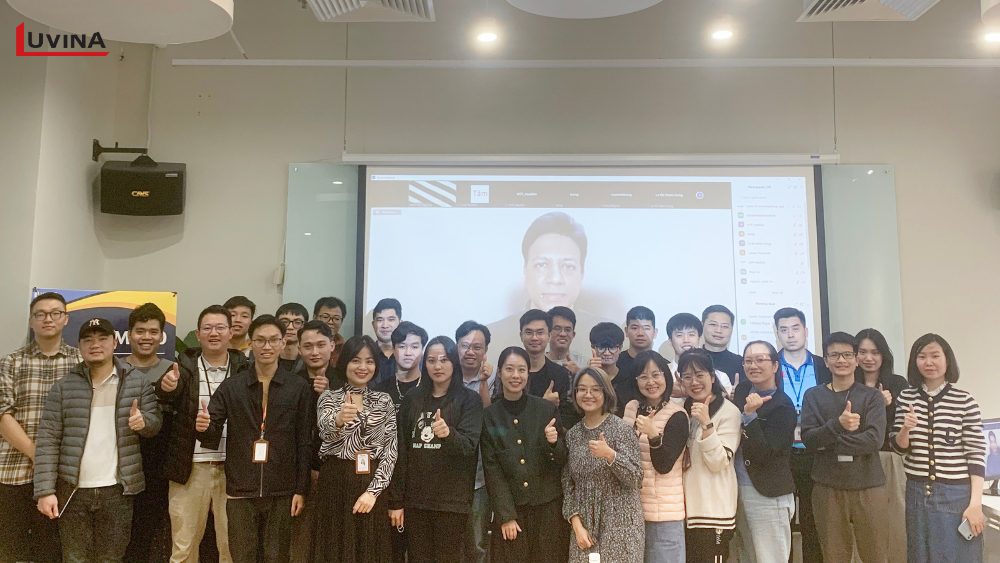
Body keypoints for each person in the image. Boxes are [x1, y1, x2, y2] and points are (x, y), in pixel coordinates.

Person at [34, 317, 162, 562]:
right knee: (74, 558)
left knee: (111, 558)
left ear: (115, 342)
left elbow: (155, 424)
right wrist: (45, 491)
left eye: (102, 338)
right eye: (88, 340)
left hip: (118, 491)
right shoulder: (63, 387)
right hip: (72, 491)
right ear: (80, 346)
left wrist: (144, 422)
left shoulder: (137, 382)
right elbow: (48, 440)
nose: (95, 344)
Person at [197, 315, 315, 563]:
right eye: (260, 340)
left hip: (282, 488)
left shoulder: (298, 387)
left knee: (277, 556)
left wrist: (300, 489)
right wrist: (203, 426)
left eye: (273, 340)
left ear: (283, 343)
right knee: (242, 555)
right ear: (251, 343)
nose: (266, 346)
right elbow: (211, 431)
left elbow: (304, 441)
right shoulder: (233, 386)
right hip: (241, 487)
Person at [158, 304, 249, 563]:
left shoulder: (245, 370)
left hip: (234, 470)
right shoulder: (183, 367)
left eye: (220, 327)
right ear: (198, 335)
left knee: (232, 548)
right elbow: (166, 396)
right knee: (183, 547)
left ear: (231, 333)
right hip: (189, 469)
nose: (214, 333)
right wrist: (166, 387)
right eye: (207, 328)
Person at [891, 334, 986, 563]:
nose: (929, 362)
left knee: (959, 556)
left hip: (956, 495)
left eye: (935, 356)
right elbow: (899, 449)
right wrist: (905, 429)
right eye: (922, 356)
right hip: (917, 493)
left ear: (947, 360)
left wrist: (975, 503)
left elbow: (976, 454)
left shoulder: (964, 400)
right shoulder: (906, 397)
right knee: (920, 555)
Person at [0, 292, 81, 563]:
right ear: (31, 321)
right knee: (10, 549)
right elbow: (2, 415)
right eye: (40, 314)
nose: (48, 319)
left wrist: (47, 462)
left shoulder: (80, 363)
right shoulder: (11, 362)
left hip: (62, 475)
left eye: (55, 313)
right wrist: (37, 454)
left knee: (52, 550)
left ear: (65, 319)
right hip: (13, 471)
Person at [388, 336, 484, 563]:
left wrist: (448, 434)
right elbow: (401, 451)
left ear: (454, 362)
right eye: (431, 360)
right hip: (415, 500)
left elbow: (469, 447)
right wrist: (396, 501)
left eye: (444, 360)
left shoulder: (469, 400)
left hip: (452, 502)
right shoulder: (412, 399)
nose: (437, 366)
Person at [801, 331, 887, 562]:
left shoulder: (872, 396)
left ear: (856, 360)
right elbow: (809, 440)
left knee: (876, 554)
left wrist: (829, 441)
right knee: (833, 555)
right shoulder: (813, 396)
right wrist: (838, 425)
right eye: (835, 355)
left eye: (847, 354)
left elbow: (874, 440)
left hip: (868, 486)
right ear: (826, 361)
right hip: (827, 487)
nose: (841, 360)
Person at [313, 336, 397, 562]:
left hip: (372, 482)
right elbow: (324, 433)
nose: (363, 367)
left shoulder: (384, 401)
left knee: (369, 550)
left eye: (369, 361)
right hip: (336, 481)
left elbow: (390, 451)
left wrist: (373, 492)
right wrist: (339, 419)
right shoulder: (329, 398)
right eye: (356, 360)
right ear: (345, 363)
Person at [481, 346, 569, 563]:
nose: (515, 375)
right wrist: (506, 516)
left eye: (521, 370)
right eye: (509, 369)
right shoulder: (490, 416)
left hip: (547, 507)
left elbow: (562, 459)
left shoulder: (545, 409)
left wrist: (552, 444)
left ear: (528, 373)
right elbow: (493, 470)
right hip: (513, 509)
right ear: (499, 373)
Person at [486, 212, 610, 358]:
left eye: (568, 266)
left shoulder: (607, 335)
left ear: (582, 273)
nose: (555, 279)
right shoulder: (492, 337)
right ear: (525, 270)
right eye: (542, 265)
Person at [561, 367, 643, 563]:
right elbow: (567, 483)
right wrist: (576, 524)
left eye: (595, 389)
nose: (588, 394)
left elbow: (636, 478)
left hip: (621, 526)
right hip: (584, 528)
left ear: (606, 393)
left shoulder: (621, 429)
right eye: (582, 389)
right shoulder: (573, 434)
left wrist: (610, 455)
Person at [731, 341, 797, 563]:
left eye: (760, 360)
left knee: (771, 558)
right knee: (746, 555)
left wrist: (750, 416)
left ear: (775, 366)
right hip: (738, 489)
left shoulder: (783, 406)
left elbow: (767, 452)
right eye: (748, 361)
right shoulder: (741, 391)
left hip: (767, 492)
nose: (753, 365)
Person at [621, 351, 689, 563]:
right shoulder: (632, 407)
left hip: (664, 517)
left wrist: (652, 434)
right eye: (643, 376)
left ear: (666, 377)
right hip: (632, 512)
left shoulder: (677, 414)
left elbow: (664, 465)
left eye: (656, 374)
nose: (650, 382)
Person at [773, 307, 829, 563]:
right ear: (777, 333)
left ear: (805, 331)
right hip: (781, 453)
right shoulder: (770, 365)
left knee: (813, 521)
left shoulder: (822, 365)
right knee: (781, 523)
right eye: (784, 330)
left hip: (816, 453)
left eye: (795, 328)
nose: (790, 335)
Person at [677, 348, 741, 562]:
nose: (694, 382)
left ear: (712, 377)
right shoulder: (680, 410)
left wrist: (707, 424)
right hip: (681, 512)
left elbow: (718, 462)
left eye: (699, 375)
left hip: (713, 512)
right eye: (687, 376)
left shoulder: (729, 411)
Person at [123, 303, 175, 563]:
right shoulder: (113, 368)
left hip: (158, 466)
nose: (146, 337)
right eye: (140, 331)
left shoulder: (174, 370)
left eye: (153, 332)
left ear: (162, 335)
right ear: (129, 334)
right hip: (120, 461)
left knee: (149, 529)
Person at [372, 321, 427, 563]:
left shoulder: (431, 390)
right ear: (393, 349)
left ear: (423, 350)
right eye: (402, 346)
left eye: (415, 346)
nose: (408, 352)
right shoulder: (379, 390)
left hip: (420, 484)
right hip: (384, 481)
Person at [854, 328, 909, 563]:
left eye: (875, 352)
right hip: (857, 459)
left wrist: (885, 406)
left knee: (895, 519)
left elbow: (903, 425)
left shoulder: (897, 383)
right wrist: (876, 404)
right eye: (862, 352)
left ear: (883, 355)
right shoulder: (848, 383)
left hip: (889, 457)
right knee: (862, 520)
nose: (868, 358)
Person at [290, 320, 334, 563]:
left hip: (336, 472)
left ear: (332, 346)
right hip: (300, 473)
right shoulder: (290, 383)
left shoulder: (346, 381)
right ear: (299, 349)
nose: (315, 352)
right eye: (308, 346)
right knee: (301, 541)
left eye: (321, 345)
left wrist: (329, 394)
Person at [455, 321, 496, 563]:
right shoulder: (445, 377)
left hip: (479, 476)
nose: (470, 351)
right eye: (465, 345)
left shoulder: (495, 380)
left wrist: (483, 383)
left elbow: (491, 423)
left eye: (477, 347)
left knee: (478, 544)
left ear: (485, 350)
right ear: (457, 347)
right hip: (448, 475)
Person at [519, 309, 578, 430]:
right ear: (521, 335)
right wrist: (544, 405)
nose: (534, 338)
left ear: (549, 335)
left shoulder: (561, 374)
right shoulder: (512, 373)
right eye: (529, 332)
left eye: (540, 332)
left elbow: (568, 419)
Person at [589, 321, 634, 415]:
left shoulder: (630, 379)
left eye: (612, 347)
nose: (607, 353)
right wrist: (592, 377)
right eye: (601, 348)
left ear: (620, 348)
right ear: (593, 348)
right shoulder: (585, 378)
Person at [701, 305, 743, 386]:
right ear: (702, 325)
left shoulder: (741, 363)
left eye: (725, 326)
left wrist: (739, 392)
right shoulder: (691, 360)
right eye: (713, 324)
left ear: (731, 329)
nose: (718, 330)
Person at [618, 306, 658, 377]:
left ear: (655, 332)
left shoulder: (664, 365)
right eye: (634, 328)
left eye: (646, 328)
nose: (640, 333)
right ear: (626, 331)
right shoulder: (615, 363)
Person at [546, 306, 587, 374]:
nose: (563, 334)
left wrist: (578, 374)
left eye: (567, 330)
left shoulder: (584, 364)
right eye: (557, 328)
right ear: (548, 333)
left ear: (573, 334)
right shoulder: (539, 362)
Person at [371, 298, 403, 383]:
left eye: (391, 319)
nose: (385, 325)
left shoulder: (411, 356)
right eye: (380, 320)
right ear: (373, 325)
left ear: (400, 323)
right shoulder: (366, 353)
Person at [313, 296, 348, 367]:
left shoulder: (345, 348)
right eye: (325, 317)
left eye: (336, 318)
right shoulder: (304, 343)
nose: (331, 322)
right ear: (315, 317)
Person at [276, 302, 310, 373]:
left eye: (297, 322)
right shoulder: (267, 356)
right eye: (284, 322)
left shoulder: (311, 359)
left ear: (305, 326)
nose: (290, 327)